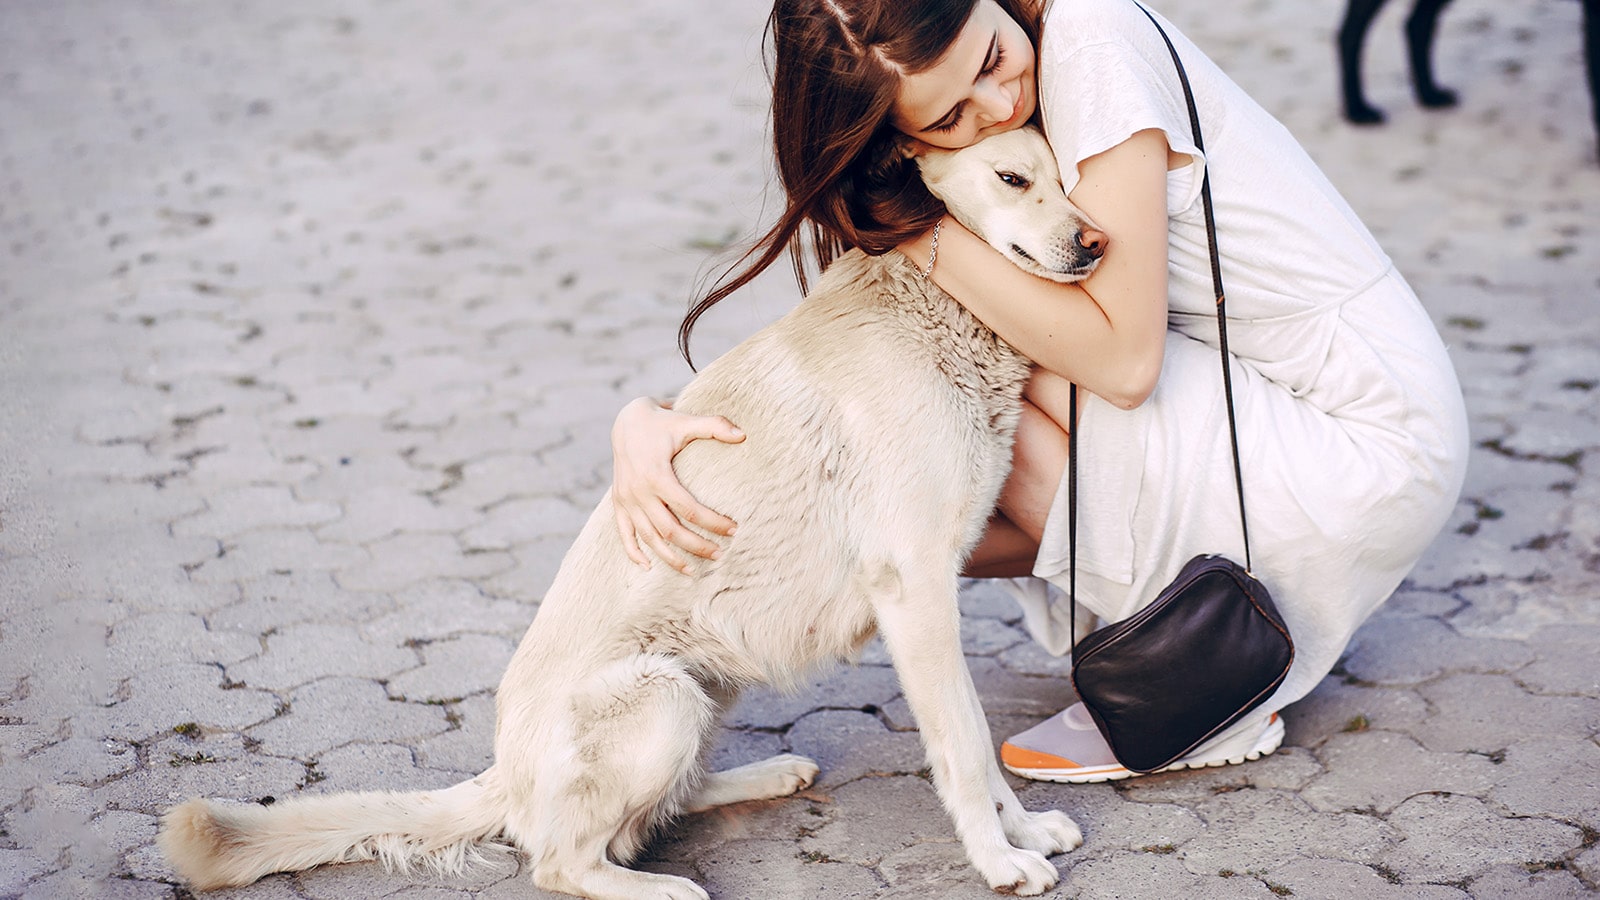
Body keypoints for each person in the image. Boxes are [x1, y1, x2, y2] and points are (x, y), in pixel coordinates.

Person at [608, 0, 1469, 783]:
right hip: (1260, 397)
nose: (997, 105)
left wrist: (915, 229)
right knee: (904, 462)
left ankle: (1207, 669)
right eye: (949, 117)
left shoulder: (1090, 41)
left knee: (963, 378)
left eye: (989, 57)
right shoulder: (1021, 77)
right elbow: (851, 386)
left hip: (1358, 433)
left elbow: (1124, 365)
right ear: (900, 141)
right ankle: (713, 576)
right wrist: (670, 436)